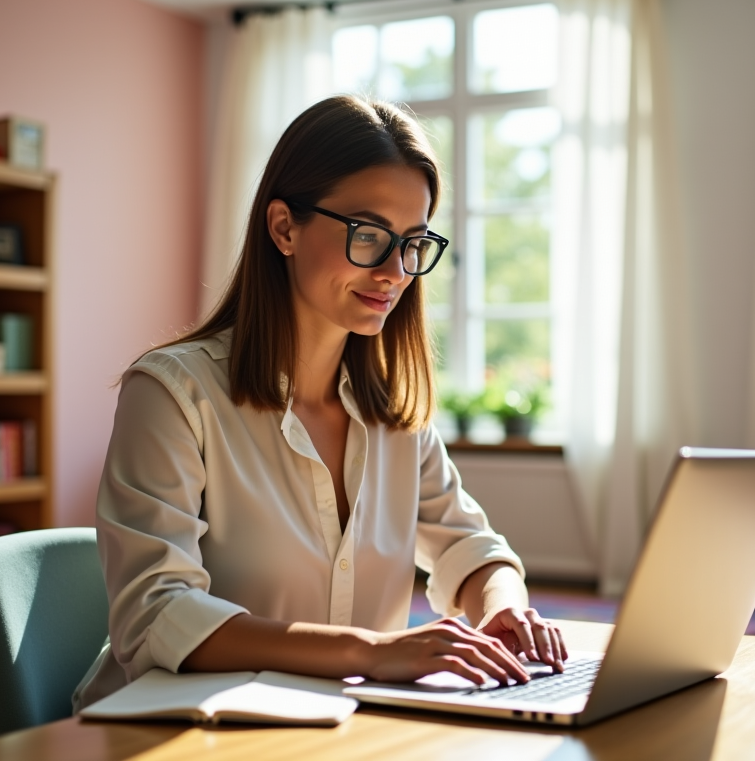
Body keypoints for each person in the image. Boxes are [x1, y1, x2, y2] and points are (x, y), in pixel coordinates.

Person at [72, 96, 566, 712]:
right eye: (368, 234)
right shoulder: (174, 394)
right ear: (284, 227)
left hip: (340, 728)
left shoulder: (395, 412)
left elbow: (471, 549)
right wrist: (370, 651)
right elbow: (158, 616)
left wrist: (506, 610)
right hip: (172, 734)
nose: (394, 271)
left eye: (412, 243)